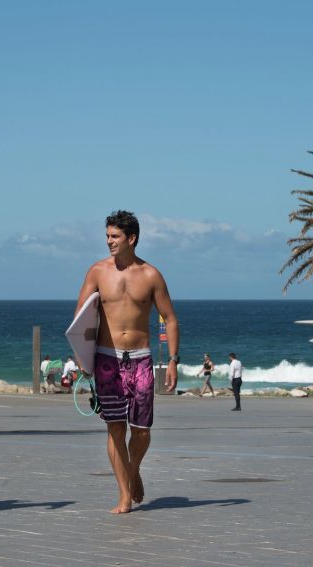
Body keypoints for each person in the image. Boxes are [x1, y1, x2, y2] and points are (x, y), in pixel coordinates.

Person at [74, 210, 179, 514]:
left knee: (142, 431)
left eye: (115, 236)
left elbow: (170, 319)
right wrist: (82, 356)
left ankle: (132, 473)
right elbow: (80, 318)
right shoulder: (97, 272)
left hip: (141, 359)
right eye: (107, 236)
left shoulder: (151, 276)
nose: (109, 242)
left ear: (131, 238)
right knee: (115, 429)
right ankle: (123, 494)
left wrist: (172, 360)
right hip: (107, 359)